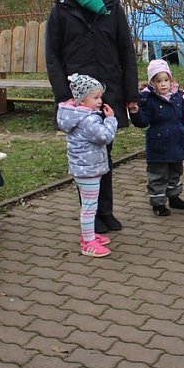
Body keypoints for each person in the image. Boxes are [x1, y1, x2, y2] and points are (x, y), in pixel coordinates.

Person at [45, 0, 138, 234]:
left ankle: (105, 211)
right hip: (78, 98)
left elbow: (126, 51)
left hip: (108, 90)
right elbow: (52, 55)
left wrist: (130, 94)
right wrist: (63, 95)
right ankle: (91, 214)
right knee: (86, 157)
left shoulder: (111, 5)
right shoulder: (62, 7)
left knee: (105, 155)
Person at [56, 74, 118, 258]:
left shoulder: (76, 116)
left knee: (90, 204)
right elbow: (104, 137)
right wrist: (111, 120)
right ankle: (88, 242)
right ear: (82, 100)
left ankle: (89, 235)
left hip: (84, 168)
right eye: (95, 97)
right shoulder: (88, 120)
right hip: (88, 169)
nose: (100, 101)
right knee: (90, 206)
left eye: (100, 97)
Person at [130, 60, 184, 216]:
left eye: (166, 80)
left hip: (176, 142)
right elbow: (143, 121)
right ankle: (158, 203)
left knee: (175, 171)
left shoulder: (177, 97)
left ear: (171, 80)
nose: (164, 84)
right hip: (158, 144)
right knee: (158, 174)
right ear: (152, 83)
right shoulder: (148, 100)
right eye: (159, 81)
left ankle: (174, 197)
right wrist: (135, 112)